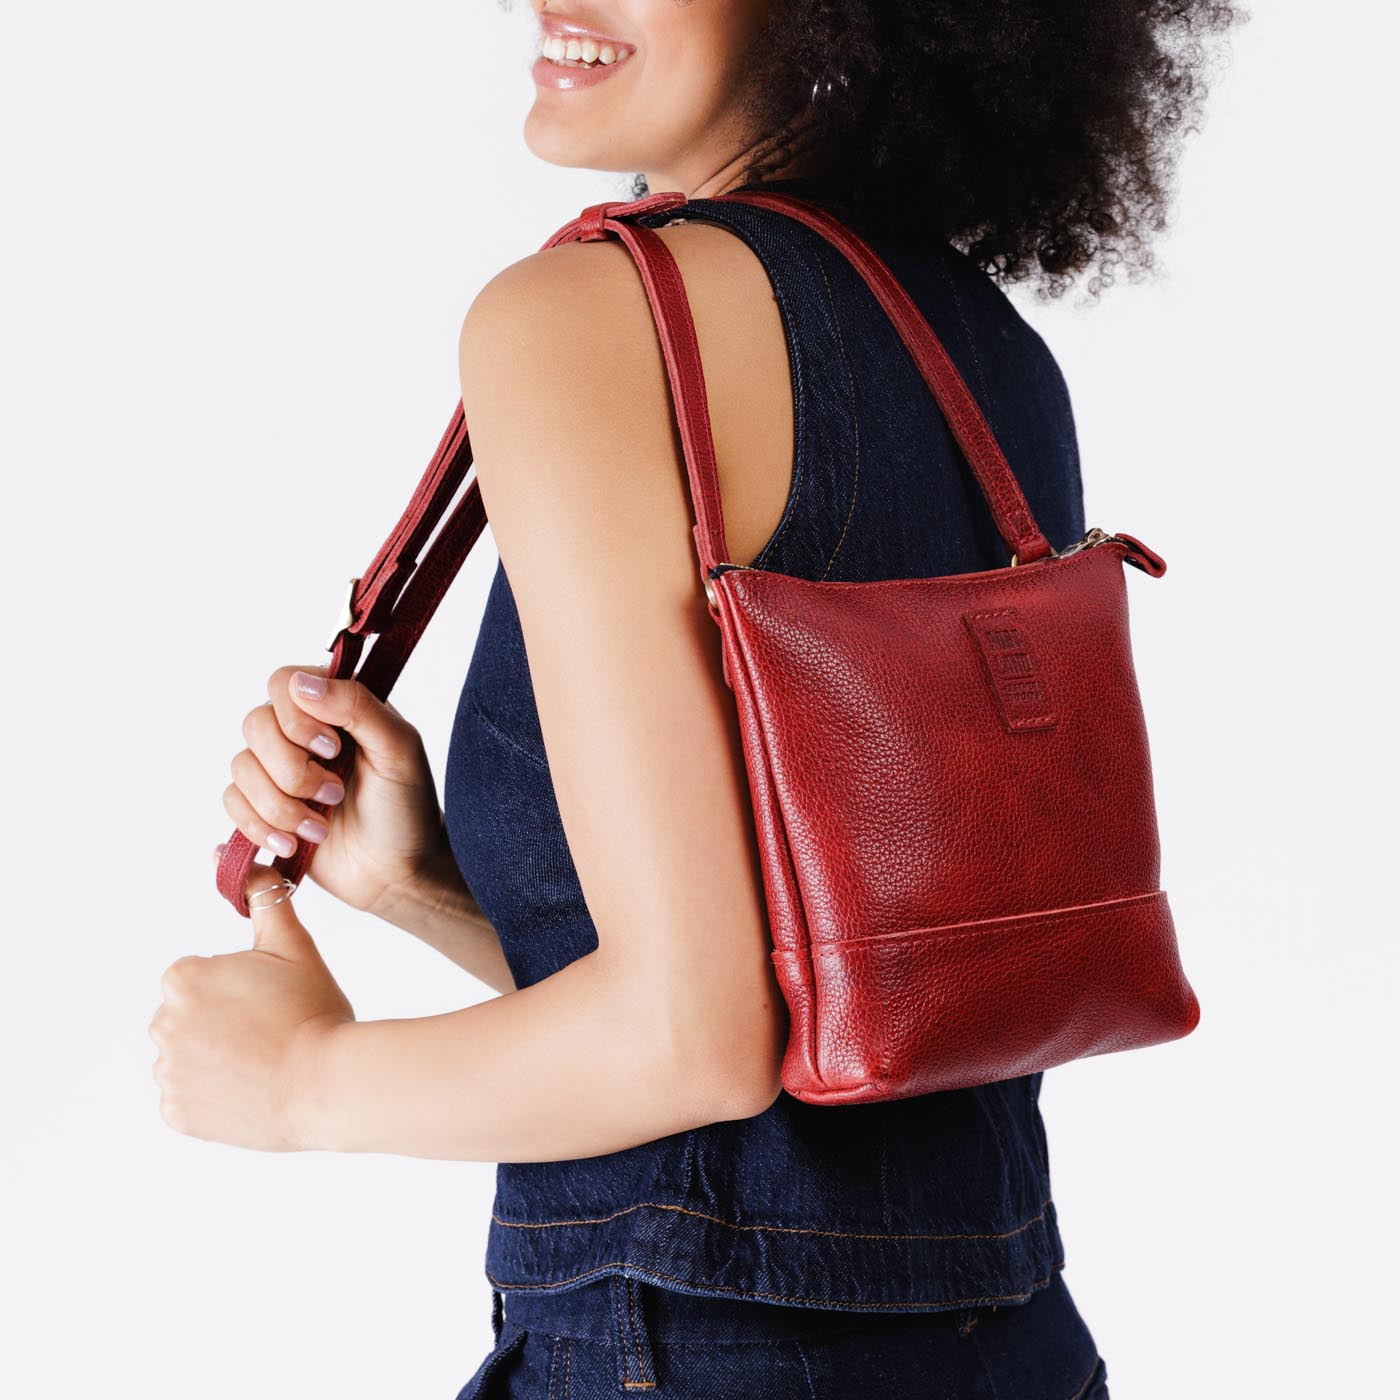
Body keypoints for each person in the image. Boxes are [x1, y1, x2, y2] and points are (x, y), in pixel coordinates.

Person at [156, 0, 1239, 1394]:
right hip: (1014, 1344)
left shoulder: (585, 318)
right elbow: (832, 1011)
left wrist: (297, 1079)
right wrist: (426, 888)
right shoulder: (984, 347)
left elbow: (693, 1044)